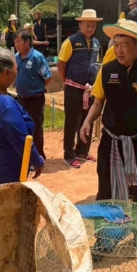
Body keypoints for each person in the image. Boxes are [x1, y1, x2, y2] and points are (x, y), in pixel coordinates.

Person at [80, 19, 137, 207]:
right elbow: (98, 102)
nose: (118, 50)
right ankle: (106, 226)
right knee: (106, 190)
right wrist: (87, 121)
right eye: (116, 45)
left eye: (124, 45)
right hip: (111, 141)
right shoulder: (107, 70)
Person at [0, 48, 45, 186]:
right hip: (6, 176)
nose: (17, 73)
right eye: (16, 69)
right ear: (6, 73)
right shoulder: (6, 107)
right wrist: (38, 161)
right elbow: (23, 142)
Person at [58, 9, 102, 168]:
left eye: (93, 26)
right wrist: (65, 81)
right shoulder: (70, 41)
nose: (90, 29)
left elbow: (94, 63)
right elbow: (61, 63)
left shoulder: (96, 43)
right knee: (72, 121)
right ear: (80, 25)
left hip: (90, 89)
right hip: (74, 87)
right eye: (87, 25)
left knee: (87, 119)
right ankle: (69, 154)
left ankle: (82, 151)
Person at [14, 29, 52, 161]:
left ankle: (38, 159)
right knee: (22, 128)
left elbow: (47, 77)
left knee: (35, 129)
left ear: (27, 42)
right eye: (15, 42)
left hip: (36, 100)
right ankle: (26, 158)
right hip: (21, 99)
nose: (16, 44)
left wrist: (37, 89)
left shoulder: (37, 57)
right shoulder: (16, 58)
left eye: (19, 41)